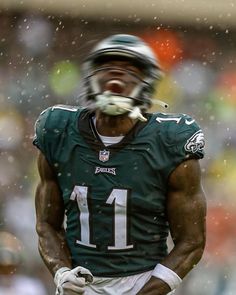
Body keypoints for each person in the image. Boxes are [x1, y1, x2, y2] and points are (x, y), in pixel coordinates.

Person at [33, 34, 206, 295]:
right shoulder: (57, 131)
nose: (116, 77)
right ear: (91, 77)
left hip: (146, 280)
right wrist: (62, 273)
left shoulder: (169, 140)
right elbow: (47, 224)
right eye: (107, 67)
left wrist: (146, 291)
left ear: (146, 82)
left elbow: (192, 242)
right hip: (80, 283)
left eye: (129, 70)